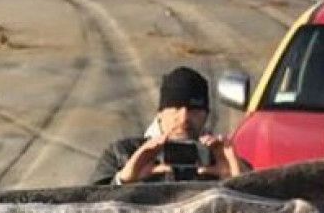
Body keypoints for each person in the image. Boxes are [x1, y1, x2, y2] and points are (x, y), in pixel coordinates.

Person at [92, 66, 247, 185]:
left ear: (206, 115)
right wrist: (123, 181)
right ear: (160, 112)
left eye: (194, 109)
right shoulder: (121, 154)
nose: (184, 117)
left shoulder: (223, 159)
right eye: (176, 108)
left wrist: (238, 182)